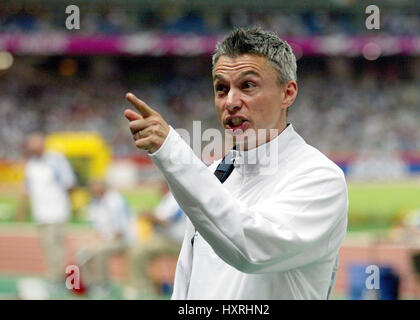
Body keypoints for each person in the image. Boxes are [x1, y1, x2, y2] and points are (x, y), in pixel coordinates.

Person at [124, 27, 348, 299]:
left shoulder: (320, 178)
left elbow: (250, 250)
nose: (230, 102)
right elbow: (187, 278)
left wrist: (172, 151)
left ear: (287, 93)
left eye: (248, 85)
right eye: (221, 88)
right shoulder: (218, 173)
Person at [18, 132, 77, 292]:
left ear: (42, 144)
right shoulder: (31, 163)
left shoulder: (56, 160)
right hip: (41, 213)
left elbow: (69, 183)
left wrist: (69, 205)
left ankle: (56, 280)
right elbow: (27, 187)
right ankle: (53, 277)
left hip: (57, 212)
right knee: (47, 247)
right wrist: (22, 210)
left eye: (34, 145)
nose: (32, 148)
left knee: (55, 247)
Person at [76, 180, 135, 297]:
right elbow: (96, 228)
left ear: (102, 188)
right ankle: (91, 284)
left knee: (100, 250)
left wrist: (100, 242)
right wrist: (92, 241)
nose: (91, 192)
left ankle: (103, 285)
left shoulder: (116, 201)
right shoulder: (94, 201)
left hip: (122, 240)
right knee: (82, 251)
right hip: (105, 239)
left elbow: (120, 231)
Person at [127, 180, 185, 298]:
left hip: (175, 242)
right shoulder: (166, 199)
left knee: (139, 250)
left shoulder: (175, 198)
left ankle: (141, 287)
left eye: (160, 186)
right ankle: (146, 285)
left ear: (166, 186)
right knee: (138, 247)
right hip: (165, 239)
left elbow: (166, 222)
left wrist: (149, 215)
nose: (158, 189)